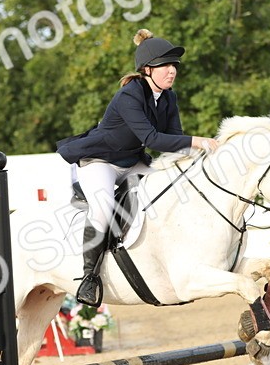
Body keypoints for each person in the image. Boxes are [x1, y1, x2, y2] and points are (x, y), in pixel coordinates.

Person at [56, 28, 219, 306]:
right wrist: (199, 141)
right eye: (165, 66)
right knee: (104, 207)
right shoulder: (129, 96)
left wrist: (198, 158)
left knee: (168, 192)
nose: (172, 71)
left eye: (174, 65)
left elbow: (174, 141)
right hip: (100, 162)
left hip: (132, 162)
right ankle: (88, 278)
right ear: (147, 69)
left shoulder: (169, 97)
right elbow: (153, 139)